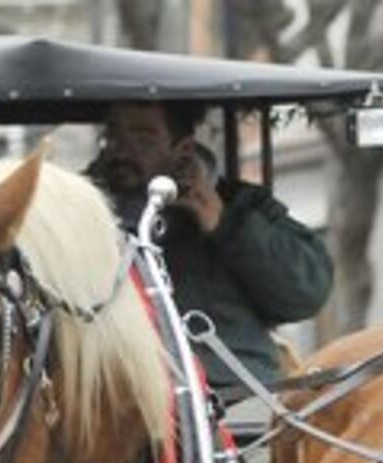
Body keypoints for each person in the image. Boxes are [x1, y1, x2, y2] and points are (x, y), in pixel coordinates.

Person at [89, 101, 333, 400]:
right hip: (114, 401)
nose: (121, 150)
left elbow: (306, 292)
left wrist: (224, 223)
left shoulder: (241, 206)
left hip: (236, 398)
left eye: (143, 138)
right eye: (113, 136)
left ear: (184, 151)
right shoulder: (78, 211)